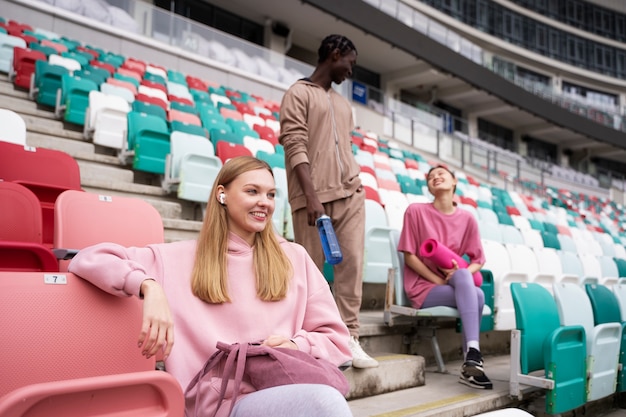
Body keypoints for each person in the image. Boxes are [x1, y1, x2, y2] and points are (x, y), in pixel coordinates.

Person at [68, 156, 354, 417]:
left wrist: (296, 345)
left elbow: (337, 341)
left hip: (286, 387)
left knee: (323, 402)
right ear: (222, 194)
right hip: (221, 406)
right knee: (323, 403)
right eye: (252, 191)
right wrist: (147, 285)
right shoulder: (177, 258)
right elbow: (89, 257)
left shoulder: (295, 257)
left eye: (270, 194)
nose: (264, 202)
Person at [279, 34, 378, 369]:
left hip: (351, 193)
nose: (351, 71)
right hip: (313, 199)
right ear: (335, 55)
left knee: (350, 265)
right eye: (350, 62)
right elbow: (294, 144)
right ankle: (314, 339)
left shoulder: (342, 104)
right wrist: (310, 196)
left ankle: (350, 337)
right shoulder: (298, 93)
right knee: (310, 273)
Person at [397, 165, 492, 389]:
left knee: (474, 290)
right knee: (476, 296)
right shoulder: (415, 211)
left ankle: (472, 359)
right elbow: (409, 257)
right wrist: (439, 279)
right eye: (431, 177)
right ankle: (472, 356)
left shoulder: (467, 218)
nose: (435, 177)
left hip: (454, 284)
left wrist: (460, 275)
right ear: (429, 187)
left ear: (454, 182)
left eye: (441, 174)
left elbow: (478, 259)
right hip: (423, 287)